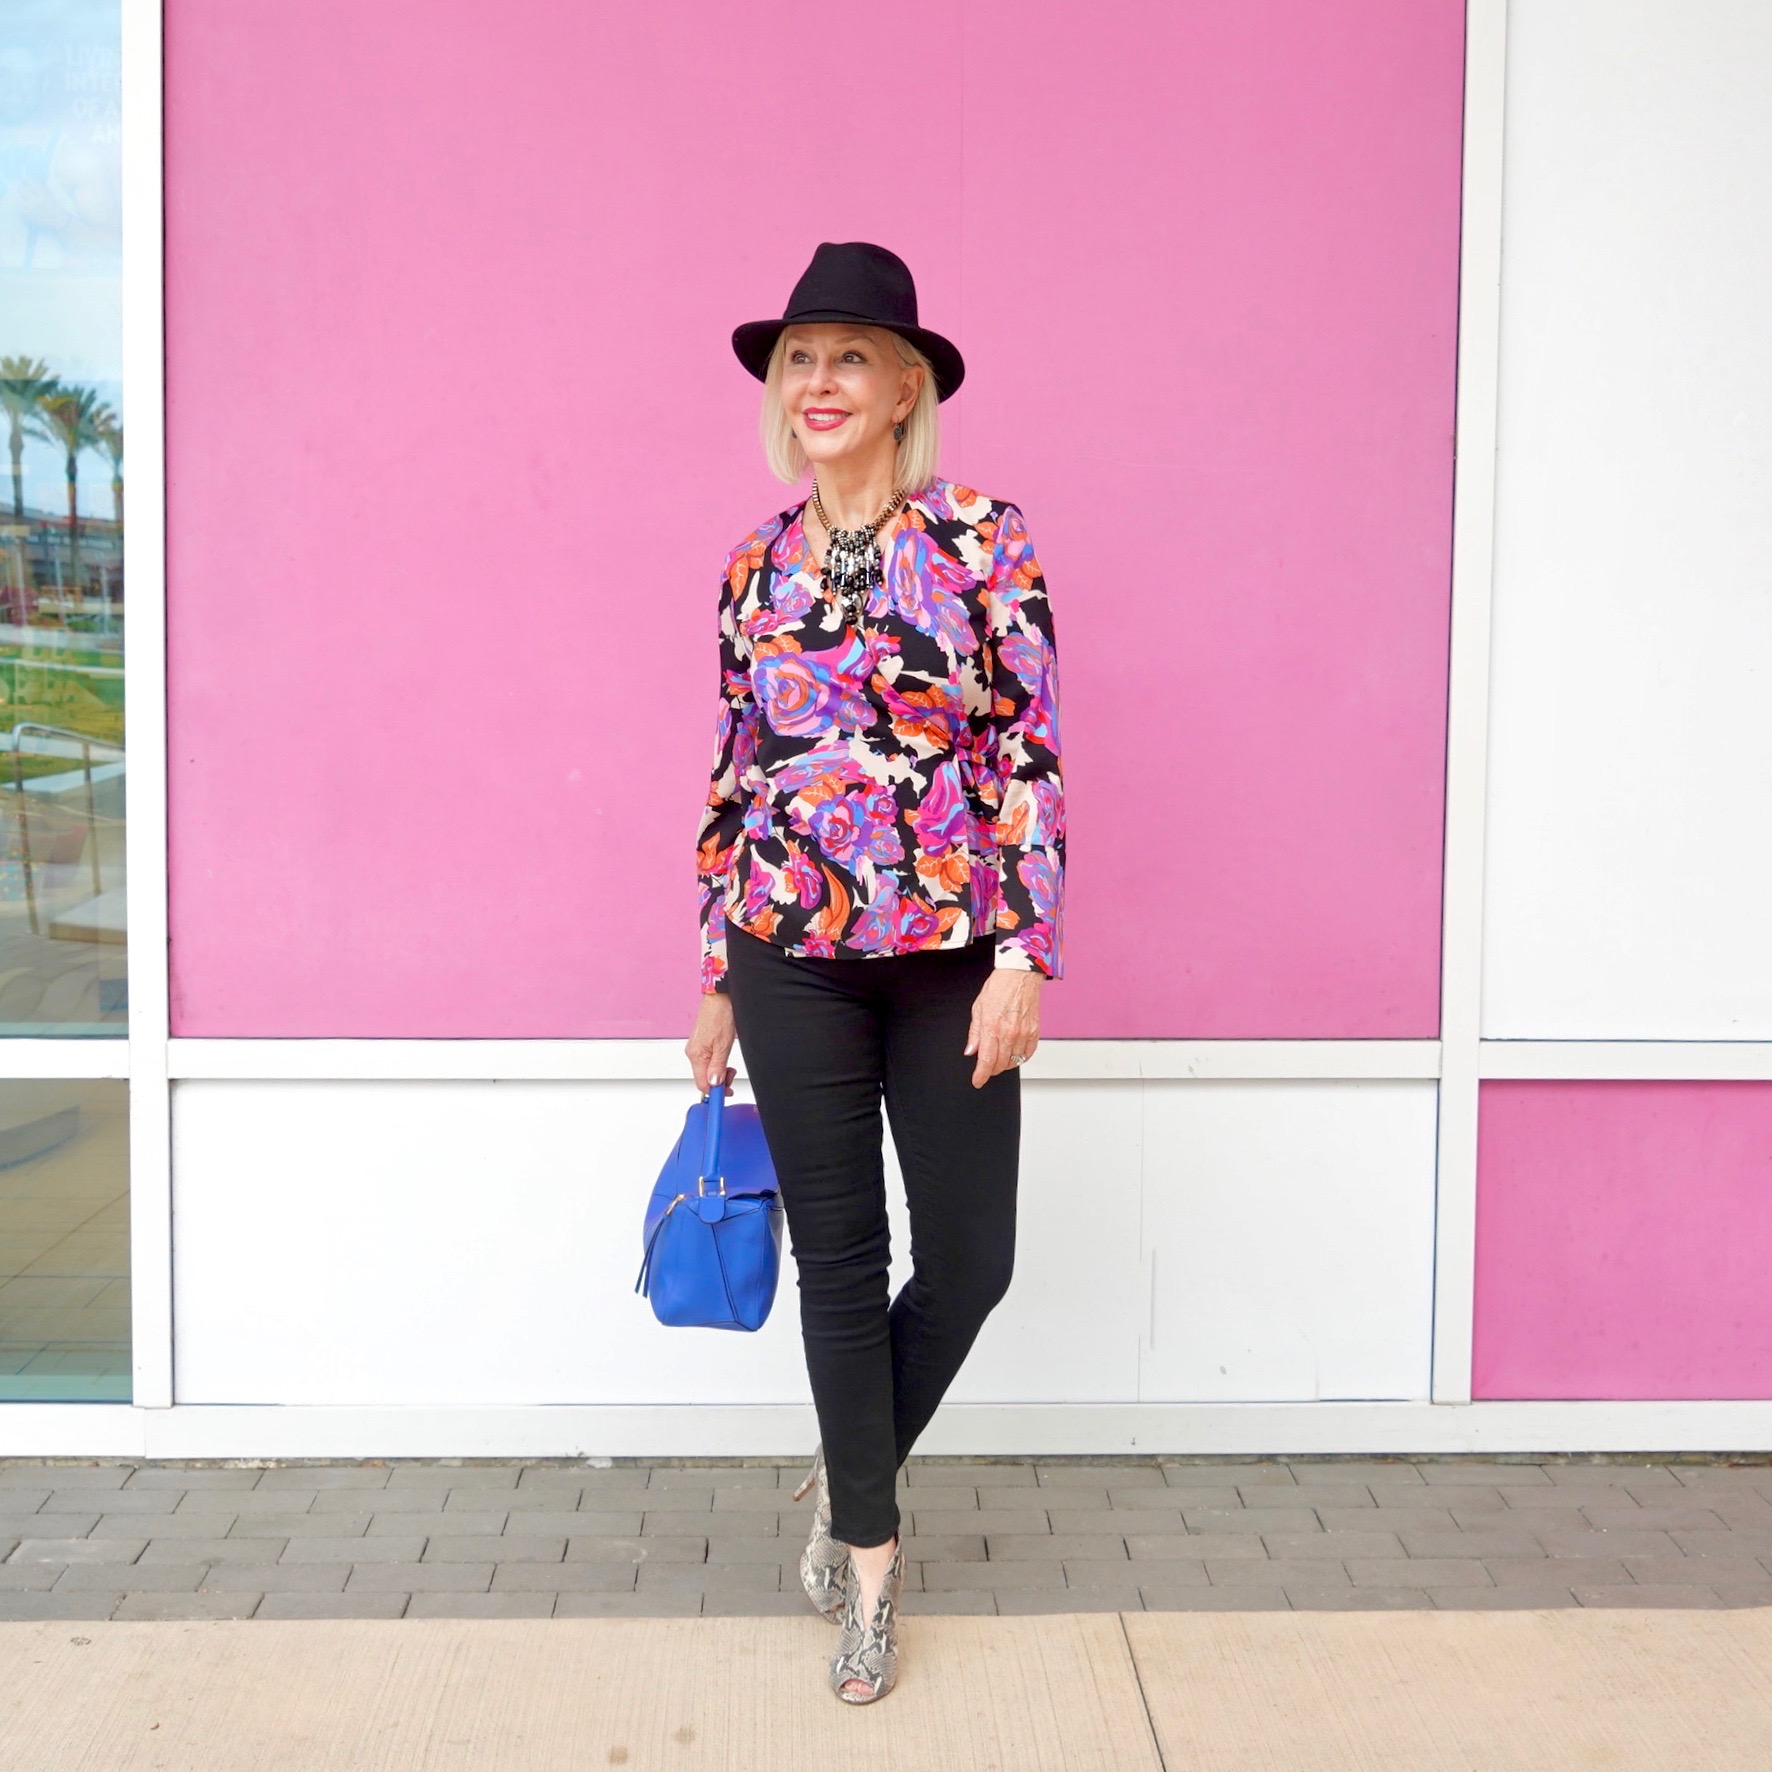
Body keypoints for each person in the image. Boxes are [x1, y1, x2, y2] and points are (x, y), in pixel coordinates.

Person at [683, 240, 1066, 1704]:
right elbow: (737, 770)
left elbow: (1027, 749)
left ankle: (849, 1471)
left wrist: (1026, 951)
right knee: (837, 1262)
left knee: (970, 1259)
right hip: (787, 958)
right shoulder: (752, 564)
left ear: (910, 385)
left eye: (851, 356)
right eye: (800, 359)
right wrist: (719, 967)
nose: (821, 381)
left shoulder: (984, 538)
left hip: (948, 954)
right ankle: (870, 1565)